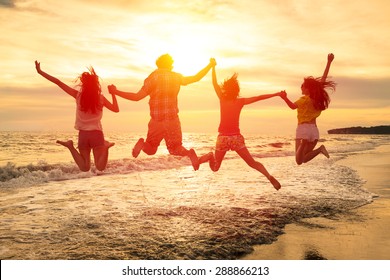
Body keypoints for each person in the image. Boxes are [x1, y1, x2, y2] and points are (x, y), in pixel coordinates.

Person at [108, 54, 216, 170]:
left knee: (151, 149)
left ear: (158, 64)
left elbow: (136, 97)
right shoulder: (176, 77)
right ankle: (189, 154)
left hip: (156, 121)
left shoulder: (153, 77)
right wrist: (210, 65)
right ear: (170, 65)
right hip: (172, 120)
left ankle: (143, 144)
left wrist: (116, 92)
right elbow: (196, 77)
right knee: (175, 148)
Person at [210, 60, 283, 190]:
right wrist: (276, 94)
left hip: (223, 138)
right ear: (237, 90)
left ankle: (209, 157)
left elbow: (214, 83)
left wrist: (213, 67)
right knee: (252, 163)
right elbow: (259, 97)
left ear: (225, 88)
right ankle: (268, 176)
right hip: (236, 138)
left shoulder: (222, 98)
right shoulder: (240, 101)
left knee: (215, 167)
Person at [35, 61, 119, 172]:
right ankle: (106, 147)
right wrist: (113, 93)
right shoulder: (100, 98)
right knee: (100, 167)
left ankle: (70, 146)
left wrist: (40, 72)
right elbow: (115, 109)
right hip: (97, 134)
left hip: (83, 135)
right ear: (96, 85)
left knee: (85, 168)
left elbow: (58, 82)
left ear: (83, 84)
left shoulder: (78, 95)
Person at [280, 53, 336, 165]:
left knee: (298, 161)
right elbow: (323, 79)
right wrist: (329, 62)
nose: (301, 87)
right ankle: (320, 149)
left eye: (302, 85)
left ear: (307, 88)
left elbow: (292, 106)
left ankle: (305, 143)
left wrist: (284, 98)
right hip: (314, 131)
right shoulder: (317, 99)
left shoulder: (303, 100)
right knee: (303, 159)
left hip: (303, 129)